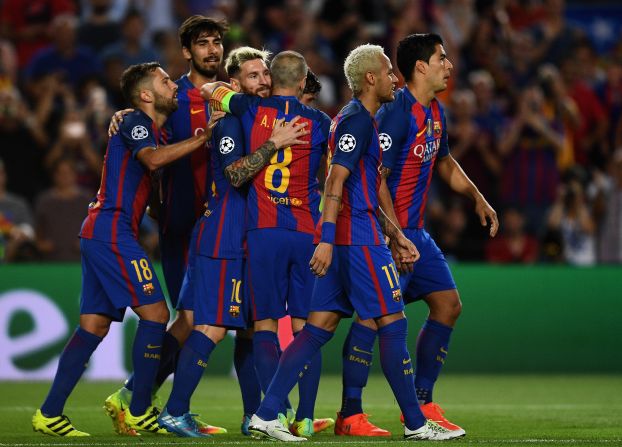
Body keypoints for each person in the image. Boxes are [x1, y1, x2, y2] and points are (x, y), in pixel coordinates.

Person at [242, 44, 462, 442]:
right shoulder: (357, 121)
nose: (397, 78)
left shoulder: (360, 119)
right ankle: (415, 423)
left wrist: (395, 234)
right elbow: (334, 182)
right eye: (389, 72)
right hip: (356, 240)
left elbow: (365, 185)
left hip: (356, 235)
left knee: (316, 328)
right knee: (393, 323)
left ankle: (265, 413)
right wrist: (326, 241)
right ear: (370, 79)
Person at [31, 61, 215, 437]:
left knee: (94, 325)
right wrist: (201, 139)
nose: (173, 85)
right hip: (112, 231)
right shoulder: (136, 123)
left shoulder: (152, 133)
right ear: (146, 95)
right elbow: (149, 160)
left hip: (104, 231)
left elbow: (147, 187)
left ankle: (49, 413)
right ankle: (140, 409)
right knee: (156, 312)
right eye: (165, 81)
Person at [337, 33, 498, 438]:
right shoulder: (396, 112)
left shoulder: (435, 111)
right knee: (374, 319)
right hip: (390, 233)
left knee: (448, 305)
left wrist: (478, 196)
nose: (449, 65)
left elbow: (444, 162)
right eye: (442, 58)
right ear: (421, 67)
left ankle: (424, 400)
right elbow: (376, 179)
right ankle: (350, 412)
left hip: (417, 235)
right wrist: (393, 236)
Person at [102, 16, 248, 437]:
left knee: (200, 320)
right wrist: (124, 113)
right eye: (203, 43)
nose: (212, 50)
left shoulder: (232, 96)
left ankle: (143, 400)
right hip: (183, 224)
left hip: (226, 225)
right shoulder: (173, 96)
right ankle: (140, 398)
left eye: (217, 42)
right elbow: (142, 127)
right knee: (193, 319)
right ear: (187, 52)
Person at [157, 46, 309, 438]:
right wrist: (274, 144)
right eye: (254, 76)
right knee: (211, 328)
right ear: (235, 83)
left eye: (266, 75)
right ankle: (173, 411)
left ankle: (255, 414)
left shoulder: (256, 117)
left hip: (245, 237)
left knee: (246, 331)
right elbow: (236, 175)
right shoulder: (229, 123)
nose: (264, 82)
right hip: (224, 234)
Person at [202, 50, 335, 438]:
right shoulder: (321, 122)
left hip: (262, 232)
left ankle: (270, 414)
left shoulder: (246, 108)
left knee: (263, 324)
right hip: (306, 233)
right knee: (306, 327)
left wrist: (223, 90)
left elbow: (212, 89)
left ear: (272, 79)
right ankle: (305, 417)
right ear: (304, 79)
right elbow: (331, 181)